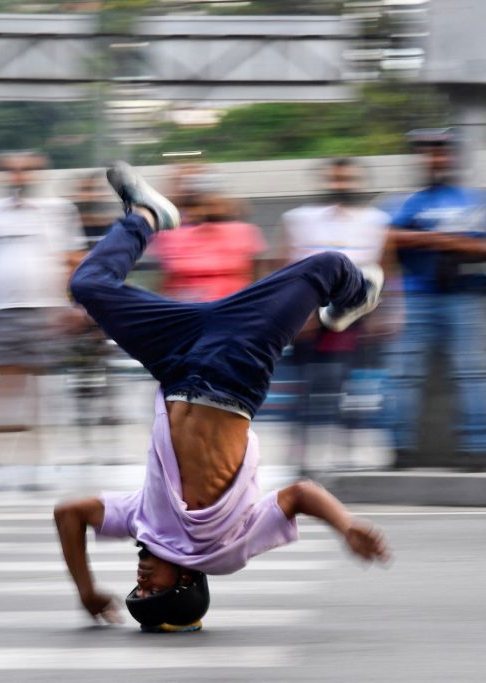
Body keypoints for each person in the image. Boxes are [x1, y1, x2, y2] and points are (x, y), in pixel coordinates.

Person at [53, 162, 391, 632]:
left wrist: (86, 589)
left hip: (173, 362)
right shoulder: (226, 551)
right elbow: (298, 495)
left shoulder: (141, 521)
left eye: (137, 588)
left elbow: (68, 514)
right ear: (187, 583)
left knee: (87, 286)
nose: (141, 578)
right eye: (153, 590)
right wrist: (346, 524)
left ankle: (147, 215)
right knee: (328, 266)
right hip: (235, 370)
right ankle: (355, 297)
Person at [0, 150, 86, 490]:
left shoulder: (58, 211)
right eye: (12, 171)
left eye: (27, 171)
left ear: (39, 175)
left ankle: (31, 468)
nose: (19, 176)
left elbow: (73, 260)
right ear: (0, 175)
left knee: (35, 393)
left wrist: (72, 305)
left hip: (42, 310)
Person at [387, 128, 486, 472]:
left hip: (466, 295)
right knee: (403, 374)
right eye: (427, 152)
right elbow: (384, 237)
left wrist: (432, 240)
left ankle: (482, 447)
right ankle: (401, 449)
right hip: (415, 297)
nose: (435, 158)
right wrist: (444, 239)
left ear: (454, 157)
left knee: (475, 371)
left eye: (441, 151)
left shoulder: (478, 199)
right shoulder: (402, 200)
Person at [280, 158, 391, 471]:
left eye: (348, 178)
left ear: (360, 181)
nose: (342, 184)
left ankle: (347, 454)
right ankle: (301, 455)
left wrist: (385, 312)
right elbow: (286, 265)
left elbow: (386, 267)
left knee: (350, 386)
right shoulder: (300, 218)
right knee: (306, 386)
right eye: (336, 178)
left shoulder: (376, 221)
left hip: (358, 314)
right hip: (309, 314)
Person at [150, 170, 267, 303]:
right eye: (203, 201)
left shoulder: (246, 232)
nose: (210, 206)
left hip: (234, 309)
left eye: (214, 200)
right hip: (186, 310)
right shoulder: (171, 236)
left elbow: (258, 278)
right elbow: (164, 278)